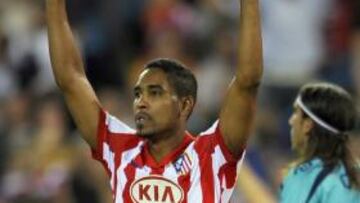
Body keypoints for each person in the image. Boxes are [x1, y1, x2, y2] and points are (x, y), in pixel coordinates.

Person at [45, 0, 262, 202]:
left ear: (185, 105)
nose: (141, 102)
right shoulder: (120, 148)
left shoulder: (212, 154)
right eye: (138, 94)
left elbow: (247, 81)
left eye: (155, 93)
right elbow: (70, 79)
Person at [280, 83, 360, 203]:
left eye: (296, 112)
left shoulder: (305, 177)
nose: (291, 120)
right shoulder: (355, 173)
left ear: (308, 125)